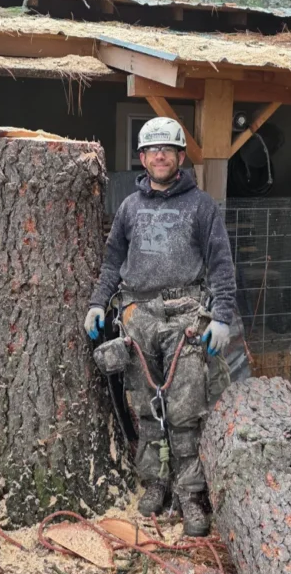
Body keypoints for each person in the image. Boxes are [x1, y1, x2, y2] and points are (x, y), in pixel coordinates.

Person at [84, 117, 236, 536]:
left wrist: (221, 317)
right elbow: (113, 261)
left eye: (168, 149)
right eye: (153, 150)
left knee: (186, 410)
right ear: (143, 158)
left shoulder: (201, 206)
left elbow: (222, 263)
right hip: (140, 314)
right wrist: (99, 303)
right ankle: (156, 483)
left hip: (185, 312)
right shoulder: (130, 209)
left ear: (181, 157)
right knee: (146, 405)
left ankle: (190, 493)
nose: (161, 156)